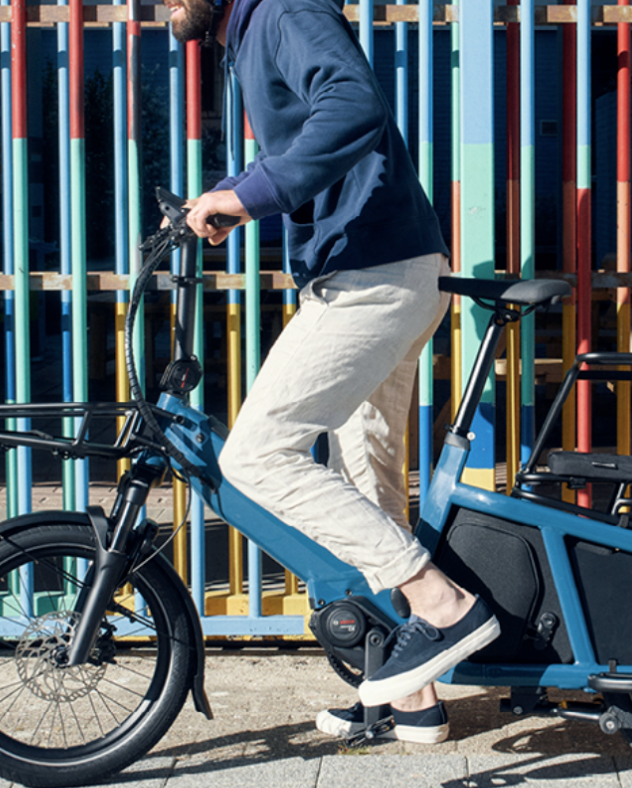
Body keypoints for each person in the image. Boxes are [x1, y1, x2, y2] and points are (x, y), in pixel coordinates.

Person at [166, 0, 499, 743]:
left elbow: (352, 103)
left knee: (256, 455)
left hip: (372, 276)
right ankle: (414, 692)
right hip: (386, 268)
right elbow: (297, 142)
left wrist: (251, 196)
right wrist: (229, 194)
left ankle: (443, 606)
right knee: (364, 486)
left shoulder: (282, 8)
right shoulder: (248, 34)